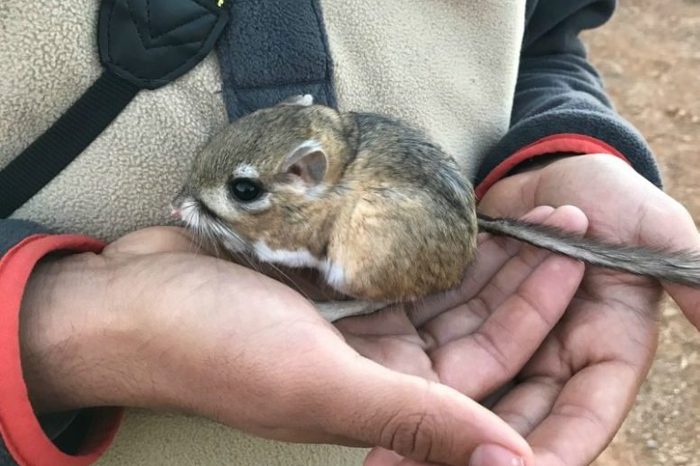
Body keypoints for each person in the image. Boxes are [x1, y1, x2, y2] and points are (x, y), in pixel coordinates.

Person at [1, 1, 698, 466]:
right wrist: (53, 330)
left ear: (306, 176)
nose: (196, 208)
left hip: (417, 373)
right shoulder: (301, 171)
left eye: (241, 195)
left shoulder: (313, 205)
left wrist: (556, 148)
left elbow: (542, 43)